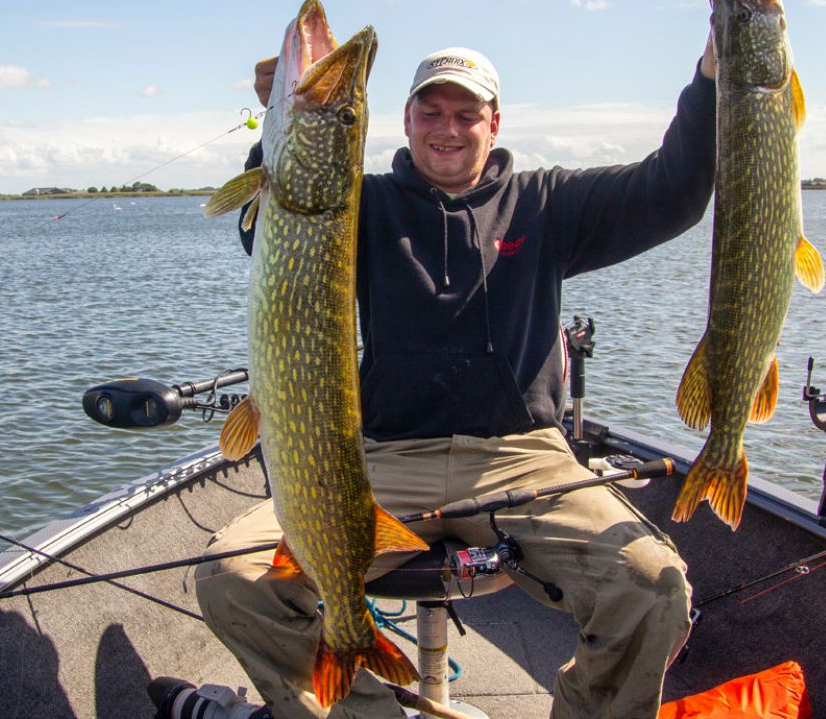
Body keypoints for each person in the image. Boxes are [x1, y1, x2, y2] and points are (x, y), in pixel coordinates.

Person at [195, 36, 718, 719]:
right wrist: (275, 134)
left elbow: (674, 192)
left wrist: (711, 76)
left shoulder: (546, 203)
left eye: (466, 114)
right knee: (231, 577)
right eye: (430, 111)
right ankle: (366, 712)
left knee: (654, 587)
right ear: (406, 120)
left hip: (524, 460)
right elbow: (265, 228)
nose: (447, 129)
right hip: (381, 461)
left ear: (494, 124)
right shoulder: (362, 205)